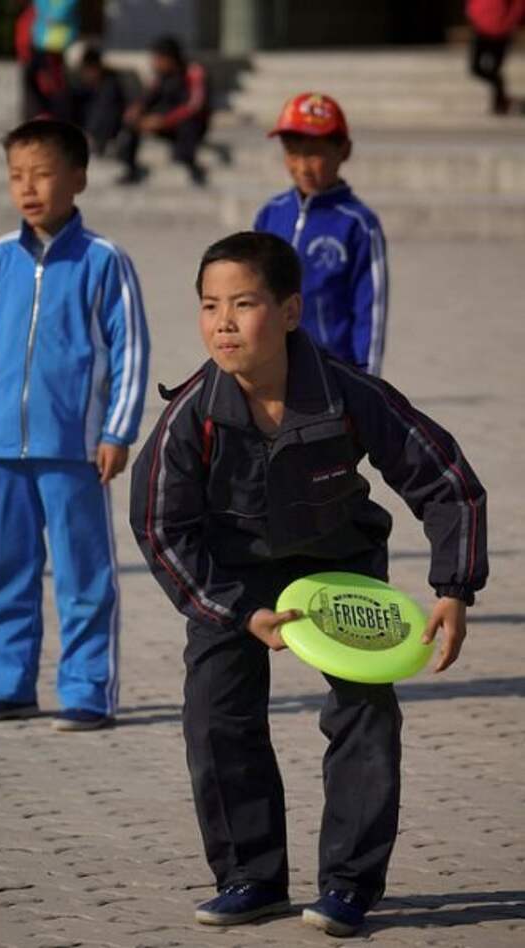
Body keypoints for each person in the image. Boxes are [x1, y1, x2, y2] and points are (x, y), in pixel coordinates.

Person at [129, 231, 488, 935]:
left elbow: (447, 483)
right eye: (208, 306)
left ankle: (349, 886)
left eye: (243, 303)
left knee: (365, 711)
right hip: (233, 578)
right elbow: (161, 529)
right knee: (216, 714)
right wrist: (235, 612)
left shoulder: (348, 394)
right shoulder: (189, 418)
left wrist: (454, 587)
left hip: (338, 562)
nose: (223, 323)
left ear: (290, 311)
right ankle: (250, 878)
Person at [0, 119, 150, 732]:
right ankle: (4, 685)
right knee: (4, 571)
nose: (28, 188)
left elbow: (130, 351)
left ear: (78, 178)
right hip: (2, 446)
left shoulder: (104, 262)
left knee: (83, 577)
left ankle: (89, 691)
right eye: (16, 176)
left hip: (75, 451)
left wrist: (116, 433)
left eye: (41, 174)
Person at [254, 93, 387, 375]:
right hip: (271, 366)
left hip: (331, 370)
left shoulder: (360, 225)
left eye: (315, 153)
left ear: (344, 151)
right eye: (292, 151)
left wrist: (368, 381)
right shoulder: (270, 213)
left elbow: (370, 310)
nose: (302, 166)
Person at [116, 35, 210, 186]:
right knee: (131, 124)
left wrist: (164, 121)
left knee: (189, 125)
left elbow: (194, 106)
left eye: (158, 58)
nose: (155, 63)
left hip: (188, 124)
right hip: (164, 123)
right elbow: (148, 98)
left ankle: (191, 167)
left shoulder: (193, 71)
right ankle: (129, 167)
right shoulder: (161, 77)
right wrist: (136, 111)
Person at [467, 0, 525, 114]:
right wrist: (473, 14)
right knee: (476, 68)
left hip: (501, 32)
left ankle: (500, 103)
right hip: (482, 29)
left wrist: (509, 22)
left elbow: (519, 5)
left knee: (495, 69)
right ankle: (502, 101)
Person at [71, 46, 125, 157]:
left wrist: (92, 135)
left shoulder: (110, 88)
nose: (87, 74)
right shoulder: (81, 90)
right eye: (85, 70)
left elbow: (107, 117)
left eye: (90, 70)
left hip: (105, 141)